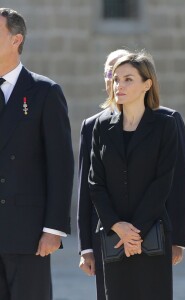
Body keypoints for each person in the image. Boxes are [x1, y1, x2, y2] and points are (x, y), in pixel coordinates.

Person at [78, 49, 185, 298]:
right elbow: (94, 183)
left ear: (147, 84)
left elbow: (163, 183)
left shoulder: (165, 125)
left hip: (151, 236)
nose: (119, 85)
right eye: (116, 79)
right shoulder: (100, 127)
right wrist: (117, 226)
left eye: (128, 79)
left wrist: (135, 232)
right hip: (113, 237)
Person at [0, 8, 74, 300]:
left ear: (16, 39)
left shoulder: (45, 91)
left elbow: (61, 165)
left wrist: (54, 228)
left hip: (27, 232)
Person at [77, 48, 130, 300]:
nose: (115, 79)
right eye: (110, 72)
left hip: (148, 234)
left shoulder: (164, 121)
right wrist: (86, 247)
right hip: (104, 236)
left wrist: (178, 240)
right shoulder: (91, 126)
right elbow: (87, 189)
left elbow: (173, 186)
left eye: (123, 74)